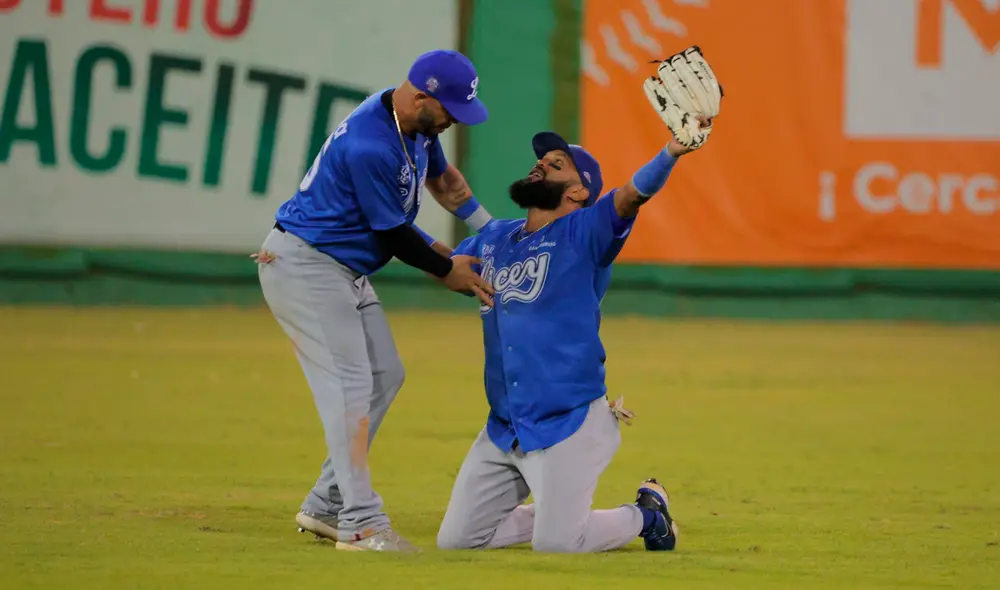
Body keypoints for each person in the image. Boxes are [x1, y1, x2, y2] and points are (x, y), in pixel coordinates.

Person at [253, 49, 496, 553]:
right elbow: (392, 233)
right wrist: (445, 268)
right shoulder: (371, 144)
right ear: (422, 96)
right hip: (307, 264)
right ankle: (361, 523)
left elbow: (444, 182)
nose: (454, 121)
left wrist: (491, 233)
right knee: (350, 386)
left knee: (385, 373)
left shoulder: (416, 126)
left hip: (343, 268)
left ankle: (327, 502)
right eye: (451, 110)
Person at [435, 118, 711, 553]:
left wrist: (671, 152)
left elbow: (630, 196)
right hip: (506, 426)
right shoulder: (496, 237)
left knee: (558, 545)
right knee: (457, 541)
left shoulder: (586, 233)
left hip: (569, 423)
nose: (541, 164)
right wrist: (399, 230)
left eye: (557, 163)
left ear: (580, 191)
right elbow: (448, 265)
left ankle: (648, 516)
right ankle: (555, 513)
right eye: (541, 160)